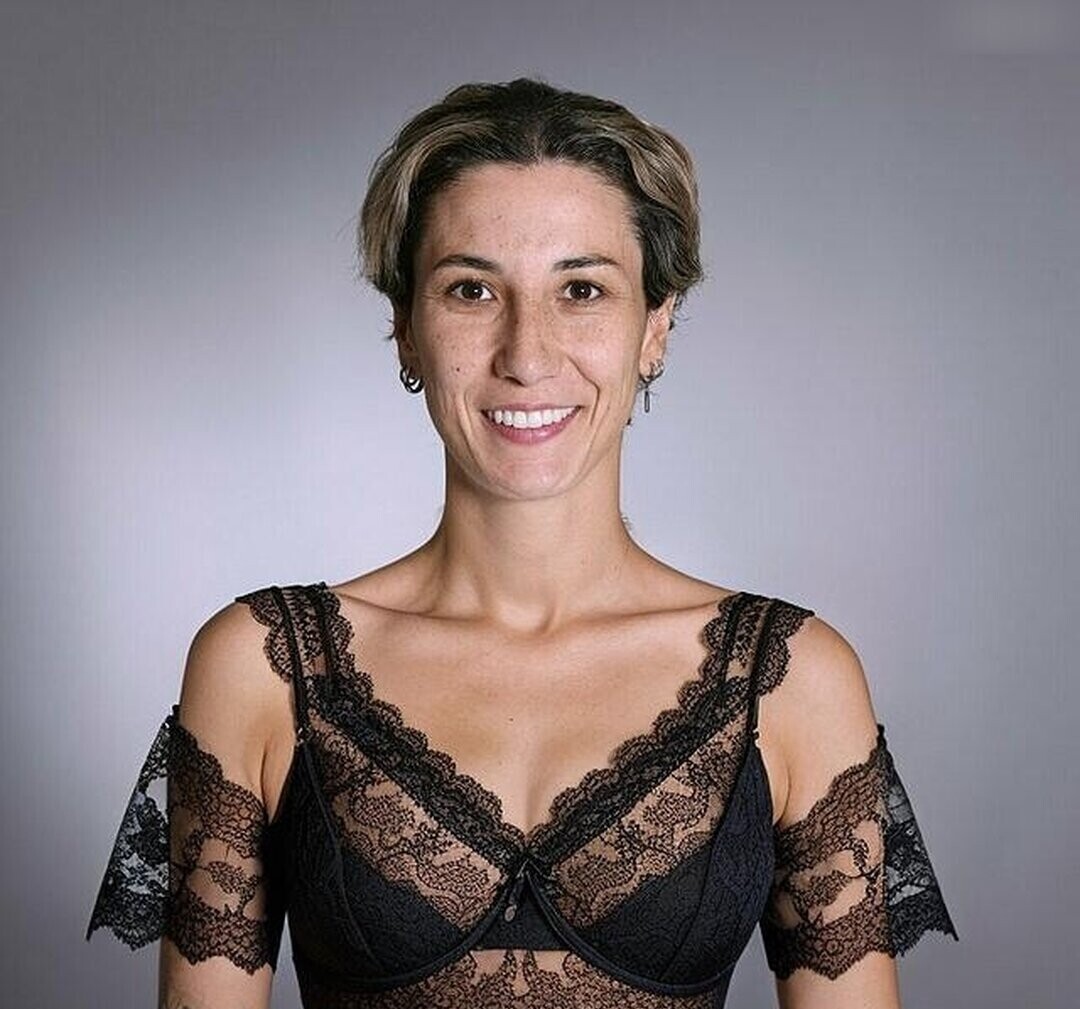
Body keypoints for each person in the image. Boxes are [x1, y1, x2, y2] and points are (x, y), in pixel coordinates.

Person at [87, 78, 957, 1009]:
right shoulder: (263, 668)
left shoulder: (791, 682)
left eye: (582, 290)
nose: (526, 354)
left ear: (655, 327)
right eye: (472, 290)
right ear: (405, 329)